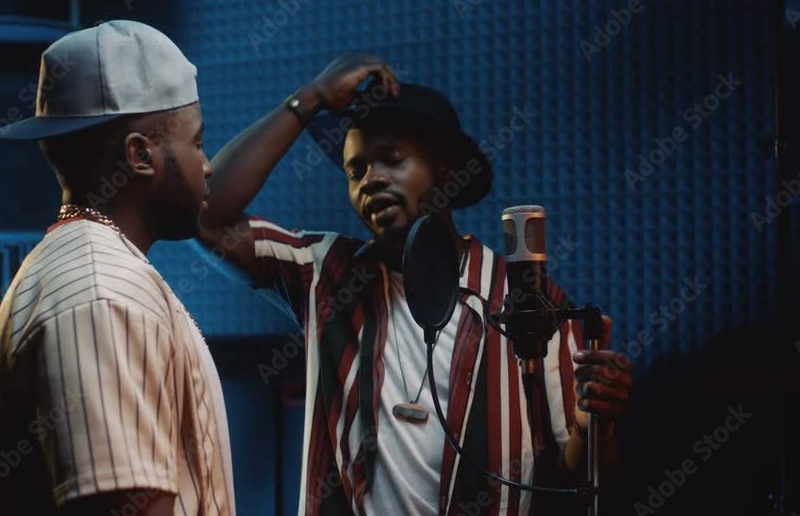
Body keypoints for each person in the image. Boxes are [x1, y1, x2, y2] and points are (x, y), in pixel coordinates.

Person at [199, 55, 633, 514]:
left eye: (392, 159)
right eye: (356, 171)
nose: (372, 180)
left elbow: (584, 473)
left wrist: (596, 419)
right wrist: (310, 98)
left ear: (444, 171)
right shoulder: (327, 273)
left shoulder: (527, 302)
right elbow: (206, 216)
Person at [0, 20, 234, 516]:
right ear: (140, 155)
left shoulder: (85, 267)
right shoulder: (102, 290)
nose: (206, 166)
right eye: (198, 143)